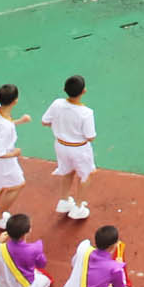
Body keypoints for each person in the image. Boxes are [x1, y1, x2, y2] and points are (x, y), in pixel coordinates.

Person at [41, 74, 96, 219]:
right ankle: (78, 206)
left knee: (67, 171)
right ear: (83, 91)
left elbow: (45, 121)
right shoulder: (86, 113)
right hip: (79, 149)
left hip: (60, 145)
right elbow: (90, 136)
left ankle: (64, 200)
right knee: (86, 174)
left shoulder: (57, 103)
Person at [0, 83, 30, 225]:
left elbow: (1, 126)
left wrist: (19, 121)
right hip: (1, 157)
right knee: (18, 184)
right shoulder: (6, 127)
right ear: (15, 101)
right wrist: (15, 153)